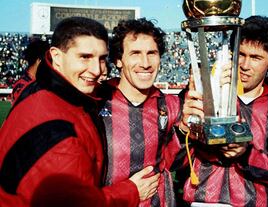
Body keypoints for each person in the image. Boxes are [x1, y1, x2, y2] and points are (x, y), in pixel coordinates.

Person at [0, 17, 159, 207]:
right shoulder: (57, 127)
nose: (96, 69)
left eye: (101, 59)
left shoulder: (51, 92)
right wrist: (130, 191)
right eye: (85, 57)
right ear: (57, 56)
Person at [179, 16, 268, 206]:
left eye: (256, 58)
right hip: (203, 201)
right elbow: (176, 161)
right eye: (241, 54)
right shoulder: (206, 94)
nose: (244, 65)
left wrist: (246, 155)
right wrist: (185, 129)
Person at [101, 18, 187, 207]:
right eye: (135, 53)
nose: (145, 63)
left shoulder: (172, 106)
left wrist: (185, 132)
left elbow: (177, 163)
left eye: (152, 53)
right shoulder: (96, 103)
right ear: (118, 60)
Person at [11, 38, 50, 104]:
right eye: (49, 60)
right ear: (40, 60)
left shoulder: (37, 82)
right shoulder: (25, 86)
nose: (51, 64)